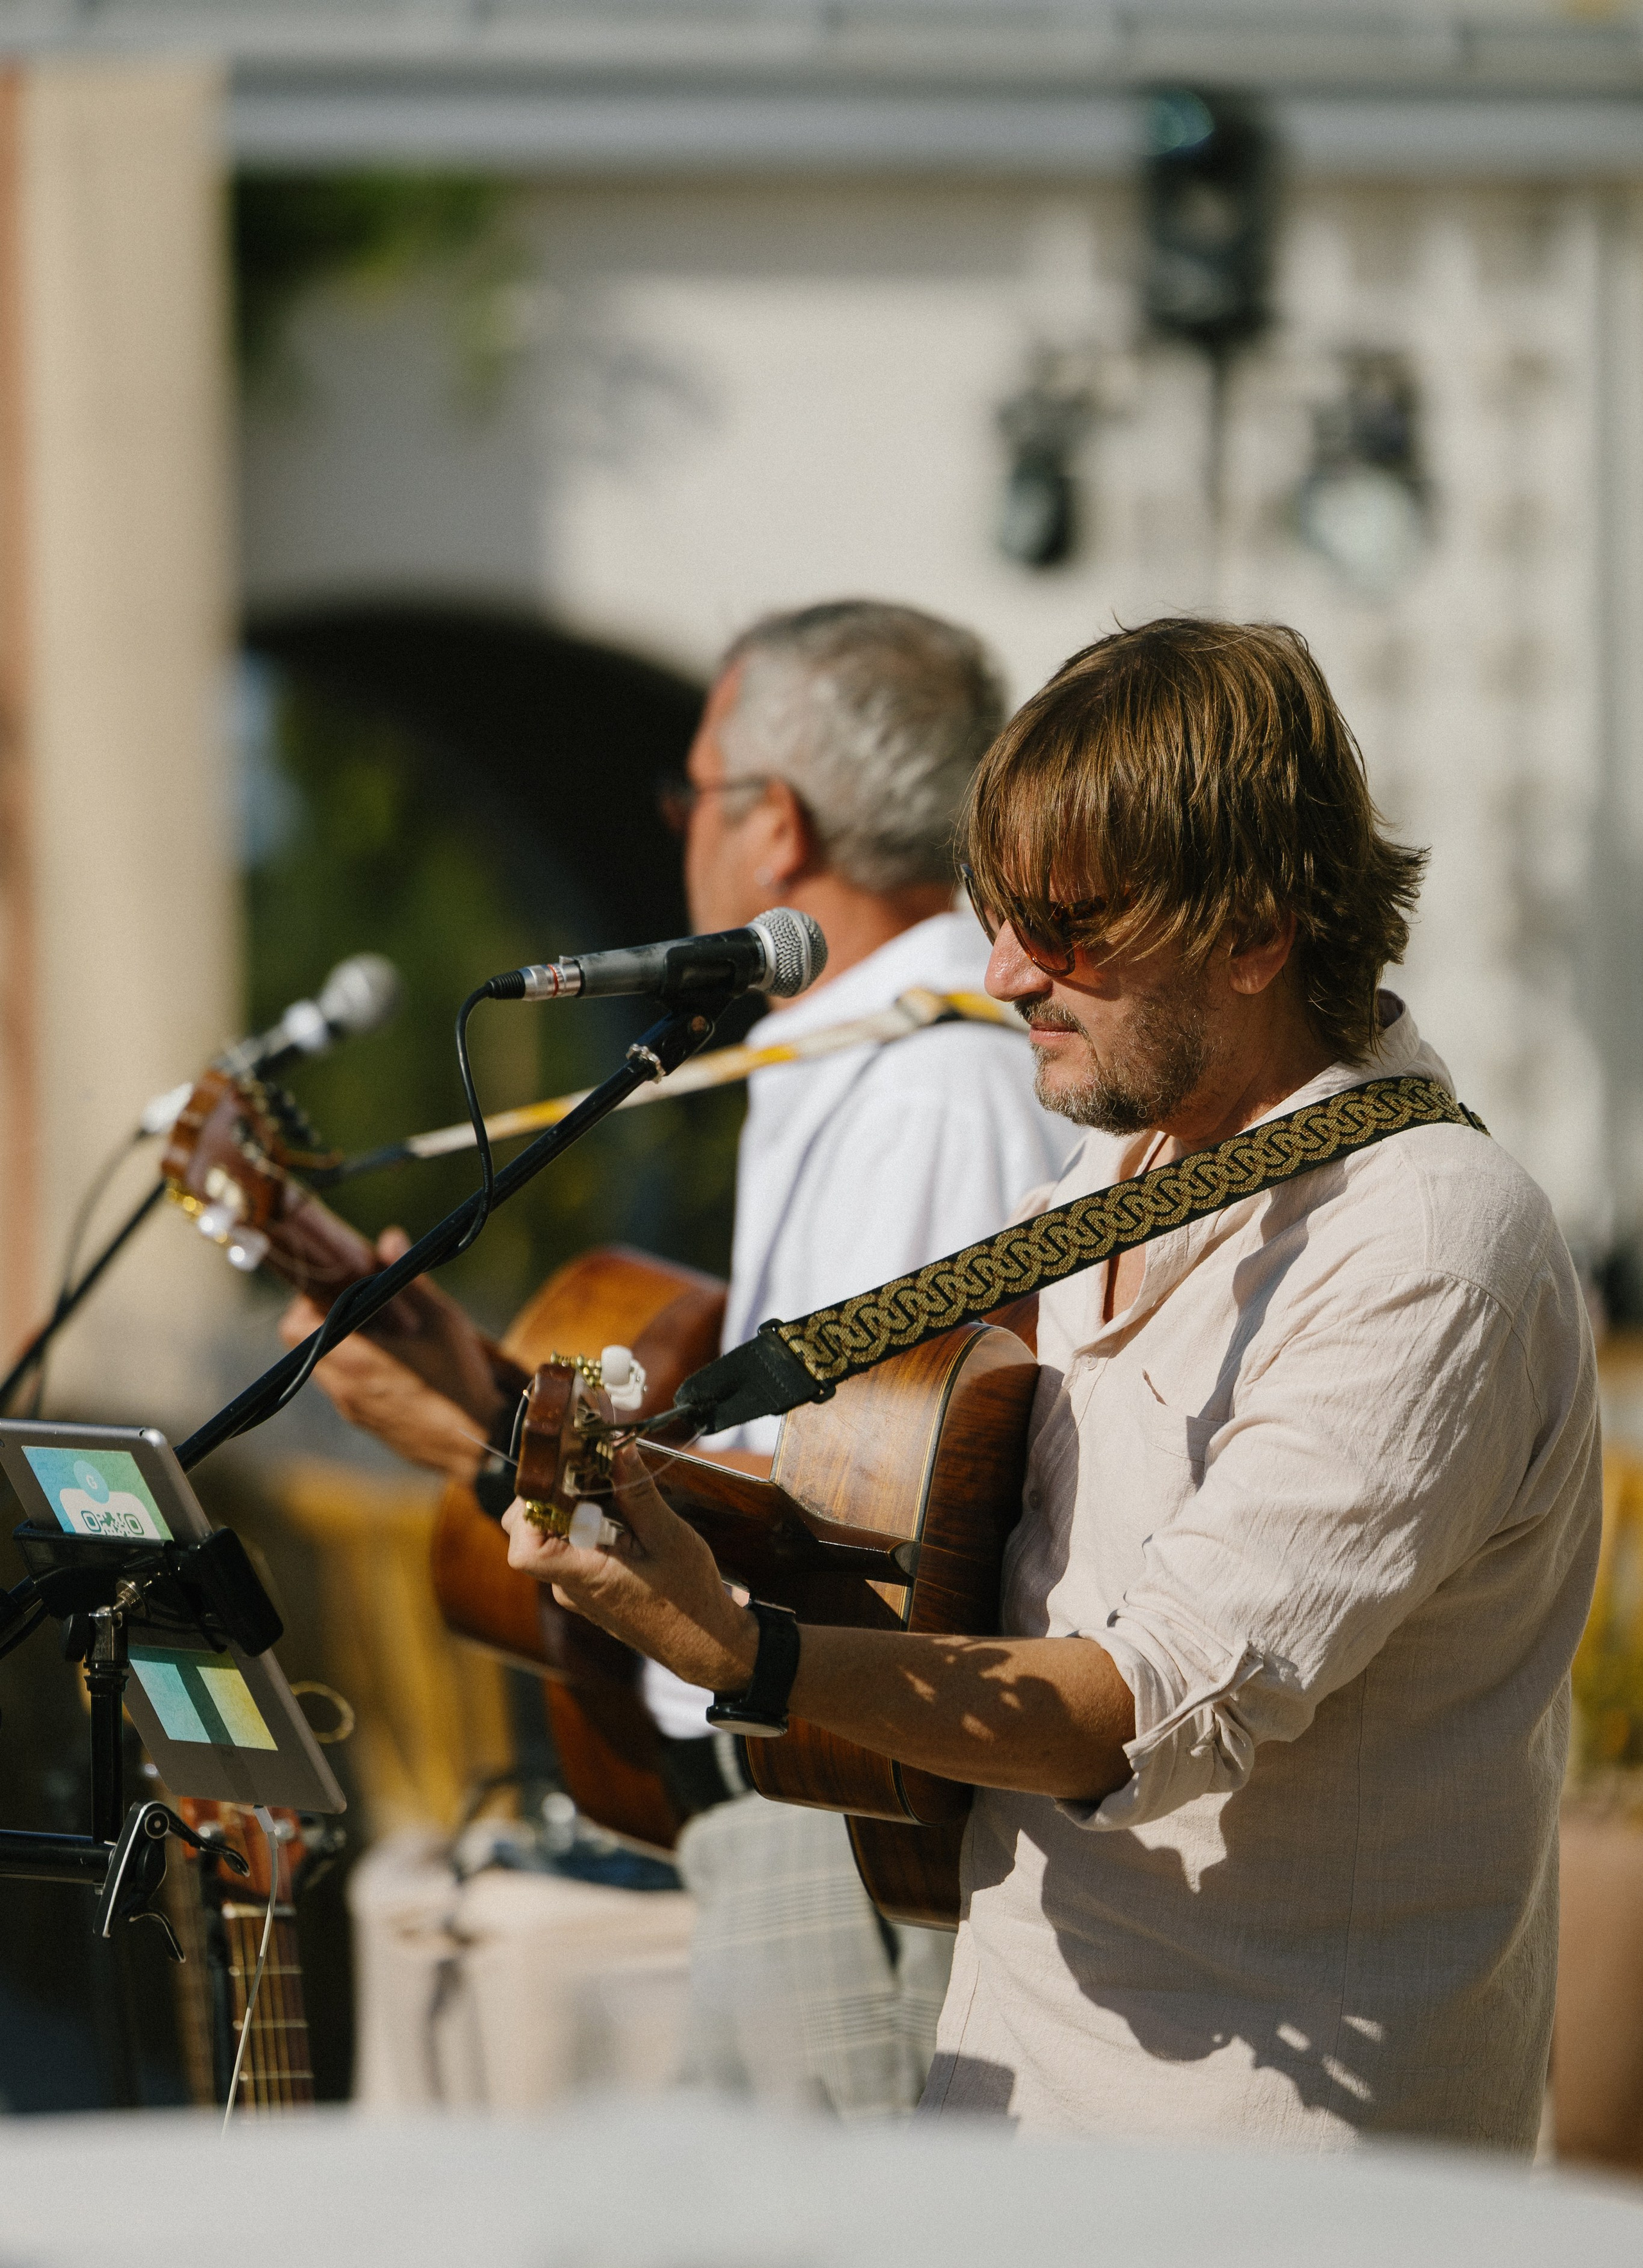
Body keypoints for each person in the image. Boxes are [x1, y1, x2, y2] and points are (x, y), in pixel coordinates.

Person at [500, 615, 1603, 2151]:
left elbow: (1134, 1710)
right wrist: (631, 1490)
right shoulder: (1117, 1171)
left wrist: (744, 1653)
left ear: (1252, 931)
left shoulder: (1423, 1238)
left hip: (1273, 2178)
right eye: (995, 915)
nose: (1007, 972)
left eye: (1067, 928)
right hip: (1012, 2091)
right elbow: (911, 1536)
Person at [282, 599, 1077, 2116]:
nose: (676, 832)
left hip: (826, 1790)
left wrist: (481, 1445)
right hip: (779, 1773)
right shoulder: (868, 1056)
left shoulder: (924, 1085)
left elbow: (861, 1526)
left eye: (688, 795)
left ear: (772, 828)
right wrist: (490, 1409)